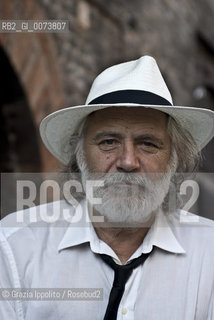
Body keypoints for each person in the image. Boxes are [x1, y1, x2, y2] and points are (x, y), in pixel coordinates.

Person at [1, 55, 214, 320]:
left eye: (148, 143)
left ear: (174, 159)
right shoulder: (14, 246)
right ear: (79, 155)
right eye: (108, 142)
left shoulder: (209, 252)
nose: (127, 161)